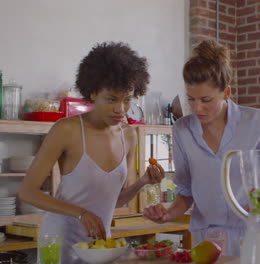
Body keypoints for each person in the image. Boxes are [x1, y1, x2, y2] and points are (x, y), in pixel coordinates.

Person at [19, 42, 165, 263]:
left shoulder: (128, 136)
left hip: (100, 246)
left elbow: (112, 200)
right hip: (62, 241)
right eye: (111, 99)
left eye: (127, 99)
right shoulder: (67, 130)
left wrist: (142, 182)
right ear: (93, 93)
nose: (121, 109)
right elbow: (28, 192)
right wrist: (81, 213)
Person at [143, 40, 260, 256]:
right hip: (205, 239)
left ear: (226, 92)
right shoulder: (182, 129)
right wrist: (168, 214)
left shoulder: (258, 122)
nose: (197, 108)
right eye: (191, 100)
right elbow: (185, 190)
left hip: (252, 236)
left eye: (206, 100)